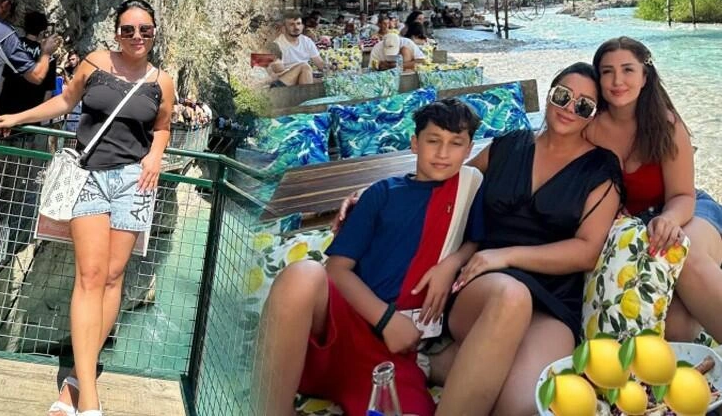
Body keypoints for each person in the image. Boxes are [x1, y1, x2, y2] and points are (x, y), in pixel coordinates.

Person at [333, 63, 623, 415]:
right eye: (563, 96)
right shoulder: (508, 146)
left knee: (519, 406)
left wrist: (506, 255)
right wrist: (371, 194)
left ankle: (433, 364)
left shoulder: (600, 168)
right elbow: (445, 175)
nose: (569, 108)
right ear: (550, 95)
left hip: (552, 298)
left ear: (594, 114)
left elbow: (586, 251)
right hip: (485, 285)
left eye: (584, 105)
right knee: (510, 295)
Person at [0, 0, 174, 416]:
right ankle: (88, 398)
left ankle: (76, 378)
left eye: (145, 30)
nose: (137, 36)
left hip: (134, 182)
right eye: (128, 29)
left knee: (112, 278)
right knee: (90, 276)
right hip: (89, 176)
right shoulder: (94, 63)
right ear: (117, 33)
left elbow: (162, 126)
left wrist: (155, 155)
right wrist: (16, 118)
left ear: (153, 33)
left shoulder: (161, 81)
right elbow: (65, 102)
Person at [255, 99, 486, 416]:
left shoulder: (471, 189)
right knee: (302, 275)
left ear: (469, 148)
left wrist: (453, 262)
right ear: (414, 143)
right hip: (343, 325)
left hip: (391, 357)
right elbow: (336, 270)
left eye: (456, 144)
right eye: (433, 141)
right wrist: (387, 320)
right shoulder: (381, 193)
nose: (443, 153)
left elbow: (476, 239)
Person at [586, 36, 722, 342]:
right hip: (632, 226)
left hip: (685, 211)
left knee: (683, 254)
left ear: (645, 77)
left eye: (627, 70)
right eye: (607, 72)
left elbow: (683, 195)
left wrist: (669, 219)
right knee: (676, 327)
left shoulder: (666, 125)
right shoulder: (590, 129)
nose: (617, 81)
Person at [0, 0, 59, 109]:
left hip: (5, 106)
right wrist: (46, 53)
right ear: (5, 5)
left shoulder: (13, 41)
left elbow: (3, 78)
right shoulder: (4, 36)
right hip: (27, 114)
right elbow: (40, 80)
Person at [0, 11, 56, 118]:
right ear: (42, 31)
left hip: (5, 108)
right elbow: (48, 90)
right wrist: (40, 117)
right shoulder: (48, 57)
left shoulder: (12, 46)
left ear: (25, 27)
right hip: (30, 115)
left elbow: (0, 78)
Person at [274, 11, 325, 77]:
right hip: (288, 79)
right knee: (305, 67)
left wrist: (330, 67)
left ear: (302, 26)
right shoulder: (276, 45)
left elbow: (320, 63)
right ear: (283, 28)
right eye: (291, 24)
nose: (296, 27)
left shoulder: (307, 41)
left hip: (306, 76)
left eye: (298, 24)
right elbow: (280, 73)